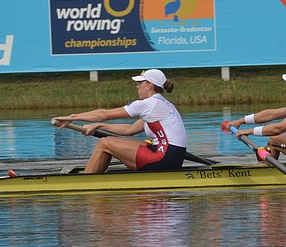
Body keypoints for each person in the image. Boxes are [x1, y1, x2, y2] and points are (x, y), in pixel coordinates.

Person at [52, 69, 188, 173]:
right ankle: (95, 175)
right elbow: (129, 130)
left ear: (149, 85)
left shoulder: (148, 104)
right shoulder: (163, 104)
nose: (137, 86)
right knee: (110, 142)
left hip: (163, 159)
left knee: (104, 143)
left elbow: (104, 114)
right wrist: (99, 125)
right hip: (173, 157)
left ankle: (85, 182)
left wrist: (71, 117)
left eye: (140, 83)